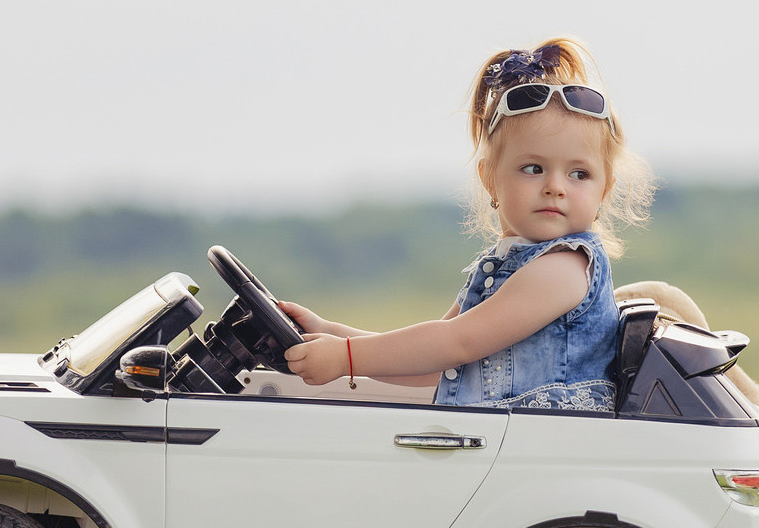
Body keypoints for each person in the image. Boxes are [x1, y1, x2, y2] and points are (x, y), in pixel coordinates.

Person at [281, 37, 656, 411]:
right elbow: (430, 362)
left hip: (548, 448)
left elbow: (454, 343)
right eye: (533, 168)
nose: (555, 187)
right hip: (506, 444)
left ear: (604, 191)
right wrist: (329, 334)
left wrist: (345, 357)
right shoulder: (507, 266)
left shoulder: (566, 268)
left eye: (579, 173)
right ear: (490, 179)